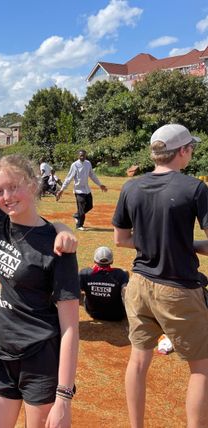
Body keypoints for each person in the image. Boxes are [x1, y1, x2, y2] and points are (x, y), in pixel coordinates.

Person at [112, 124, 208, 428]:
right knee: (201, 368)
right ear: (182, 151)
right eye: (190, 147)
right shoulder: (194, 188)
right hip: (178, 288)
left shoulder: (131, 187)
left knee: (138, 361)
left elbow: (120, 240)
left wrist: (157, 242)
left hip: (139, 284)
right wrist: (186, 245)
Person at [0, 155, 80, 428]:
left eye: (14, 187)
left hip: (40, 361)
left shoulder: (58, 246)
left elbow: (70, 327)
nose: (6, 197)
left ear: (33, 184)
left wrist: (63, 397)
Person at [56, 150, 107, 231]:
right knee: (82, 208)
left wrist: (100, 184)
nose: (82, 157)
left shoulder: (88, 163)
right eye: (81, 155)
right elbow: (69, 178)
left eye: (84, 155)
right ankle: (79, 225)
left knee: (90, 206)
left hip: (86, 189)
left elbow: (92, 175)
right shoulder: (75, 165)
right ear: (78, 156)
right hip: (78, 190)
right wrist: (62, 189)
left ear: (86, 155)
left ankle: (77, 215)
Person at [79, 246, 129, 322]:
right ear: (112, 261)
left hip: (93, 313)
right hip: (117, 314)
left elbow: (77, 292)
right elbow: (126, 293)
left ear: (94, 260)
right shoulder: (121, 274)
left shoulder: (85, 273)